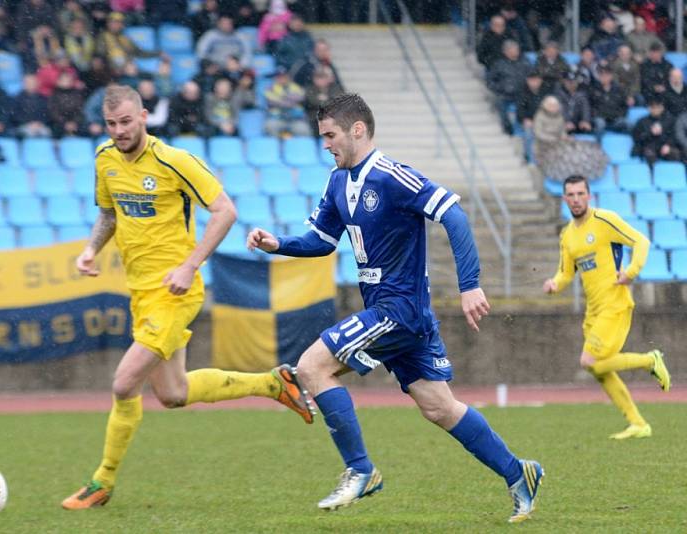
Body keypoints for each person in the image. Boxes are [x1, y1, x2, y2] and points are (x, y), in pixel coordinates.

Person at [247, 93, 544, 523]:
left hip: (398, 309)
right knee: (439, 407)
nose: (326, 144)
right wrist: (279, 245)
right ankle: (520, 473)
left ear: (358, 130)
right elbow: (321, 242)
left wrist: (470, 286)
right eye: (322, 137)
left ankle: (361, 470)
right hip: (398, 313)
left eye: (330, 135)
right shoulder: (337, 181)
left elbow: (454, 215)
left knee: (312, 368)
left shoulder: (391, 176)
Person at [61, 85, 314, 510]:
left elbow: (225, 211)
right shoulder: (105, 159)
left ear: (144, 116)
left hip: (176, 293)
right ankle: (274, 382)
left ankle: (101, 481)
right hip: (140, 294)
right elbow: (108, 213)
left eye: (126, 121)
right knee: (173, 394)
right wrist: (91, 249)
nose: (119, 131)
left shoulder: (173, 160)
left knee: (124, 383)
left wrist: (189, 265)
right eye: (111, 124)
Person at [543, 174, 670, 439]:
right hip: (593, 311)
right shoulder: (567, 235)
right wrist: (555, 284)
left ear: (589, 196)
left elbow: (641, 242)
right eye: (571, 195)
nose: (576, 199)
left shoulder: (604, 220)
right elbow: (566, 273)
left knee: (588, 361)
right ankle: (638, 423)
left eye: (581, 194)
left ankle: (650, 360)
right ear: (564, 198)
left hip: (615, 304)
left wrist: (632, 272)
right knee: (600, 370)